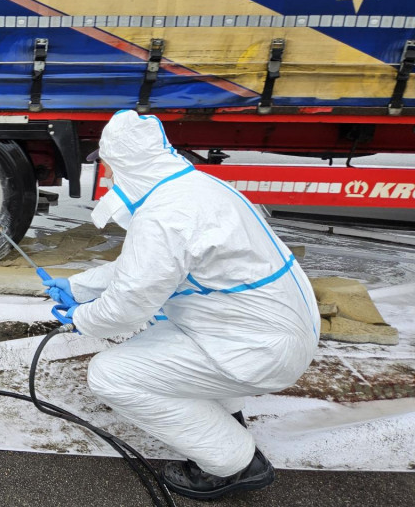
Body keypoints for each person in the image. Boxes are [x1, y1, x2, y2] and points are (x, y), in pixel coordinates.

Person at [43, 109, 320, 500]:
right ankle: (223, 417)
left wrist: (82, 317)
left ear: (121, 165)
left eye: (107, 166)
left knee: (110, 374)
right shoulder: (193, 187)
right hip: (263, 330)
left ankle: (234, 464)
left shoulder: (164, 216)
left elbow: (129, 305)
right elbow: (145, 269)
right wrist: (79, 285)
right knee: (163, 334)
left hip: (256, 348)